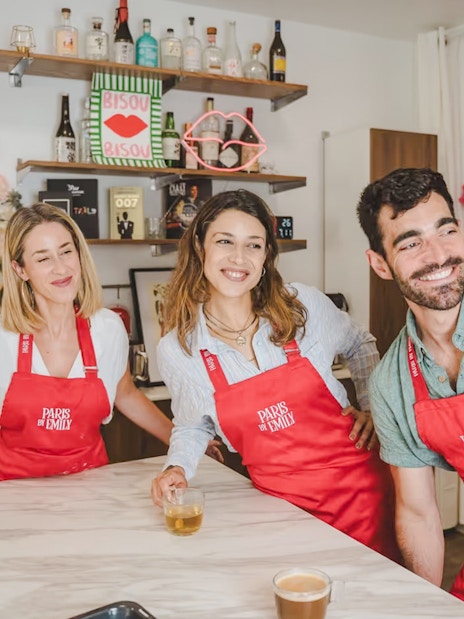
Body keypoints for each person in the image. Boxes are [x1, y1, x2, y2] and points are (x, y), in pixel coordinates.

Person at [151, 188, 401, 563]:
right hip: (278, 509)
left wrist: (372, 408)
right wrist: (177, 466)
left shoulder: (303, 306)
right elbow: (193, 424)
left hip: (363, 496)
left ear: (267, 256)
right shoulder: (179, 348)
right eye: (225, 241)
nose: (239, 258)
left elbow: (360, 343)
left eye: (253, 245)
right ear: (200, 246)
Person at [0, 202, 221, 480]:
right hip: (11, 492)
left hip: (90, 486)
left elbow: (125, 393)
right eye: (43, 259)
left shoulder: (106, 328)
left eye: (66, 251)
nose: (61, 268)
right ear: (20, 270)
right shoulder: (4, 337)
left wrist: (185, 445)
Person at [357, 167, 464, 600]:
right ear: (380, 264)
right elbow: (418, 513)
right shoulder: (391, 382)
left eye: (447, 230)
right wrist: (426, 606)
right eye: (411, 243)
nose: (438, 255)